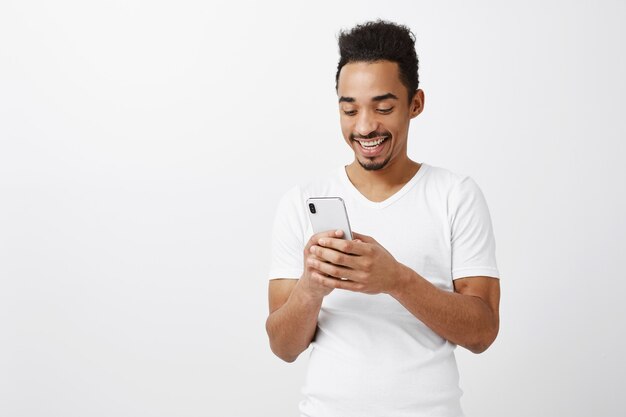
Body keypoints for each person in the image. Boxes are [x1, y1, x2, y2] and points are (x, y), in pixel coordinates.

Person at [265, 19, 500, 417]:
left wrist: (396, 279)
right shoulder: (301, 201)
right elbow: (283, 347)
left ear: (416, 103)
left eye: (384, 107)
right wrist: (312, 287)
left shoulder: (455, 195)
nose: (364, 126)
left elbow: (481, 332)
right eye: (349, 108)